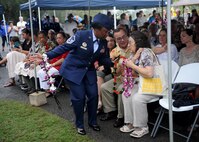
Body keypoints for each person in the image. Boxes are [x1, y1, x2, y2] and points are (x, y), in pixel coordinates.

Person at [31, 13, 113, 135]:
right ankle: (79, 124)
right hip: (73, 70)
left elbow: (103, 58)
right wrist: (46, 56)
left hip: (88, 71)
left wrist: (114, 63)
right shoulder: (81, 35)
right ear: (97, 28)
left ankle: (92, 122)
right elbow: (64, 47)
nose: (107, 34)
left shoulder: (102, 42)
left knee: (94, 96)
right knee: (79, 97)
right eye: (105, 31)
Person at [121, 31, 159, 138]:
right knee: (126, 94)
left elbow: (149, 73)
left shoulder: (146, 52)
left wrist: (132, 65)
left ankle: (142, 127)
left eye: (130, 43)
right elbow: (129, 72)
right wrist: (133, 59)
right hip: (144, 84)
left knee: (137, 98)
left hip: (154, 85)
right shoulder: (136, 53)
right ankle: (131, 123)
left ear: (138, 42)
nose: (128, 45)